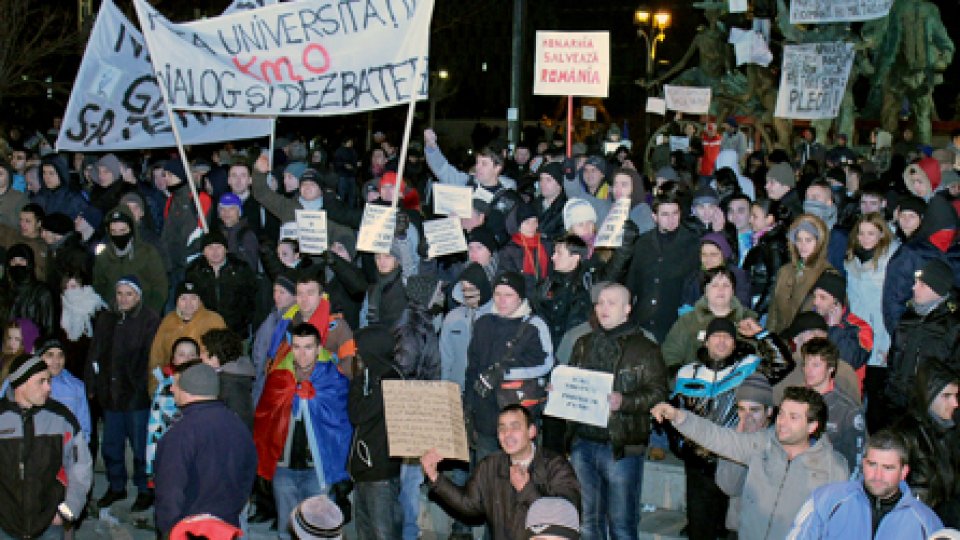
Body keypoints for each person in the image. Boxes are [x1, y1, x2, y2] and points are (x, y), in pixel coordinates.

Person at [651, 386, 849, 540]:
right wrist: (678, 416)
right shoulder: (761, 444)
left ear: (812, 426)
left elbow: (840, 528)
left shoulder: (832, 468)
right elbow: (718, 437)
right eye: (782, 414)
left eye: (793, 417)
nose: (782, 422)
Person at [670, 318, 793, 539]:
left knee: (733, 531)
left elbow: (782, 364)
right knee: (700, 531)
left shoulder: (746, 369)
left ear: (734, 344)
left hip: (735, 462)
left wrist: (762, 334)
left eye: (727, 337)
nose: (721, 341)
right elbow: (674, 411)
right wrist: (681, 446)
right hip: (698, 467)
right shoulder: (687, 373)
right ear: (705, 341)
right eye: (716, 336)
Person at [566, 282, 668, 540]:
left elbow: (658, 393)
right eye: (600, 302)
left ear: (627, 309)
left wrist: (625, 401)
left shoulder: (645, 348)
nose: (603, 308)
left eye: (611, 303)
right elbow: (572, 384)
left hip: (621, 447)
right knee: (587, 525)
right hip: (583, 443)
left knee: (622, 526)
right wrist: (560, 390)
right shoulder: (582, 343)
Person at [421, 404, 581, 540]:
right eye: (502, 428)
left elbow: (567, 518)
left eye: (515, 427)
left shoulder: (555, 466)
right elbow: (469, 505)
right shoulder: (490, 465)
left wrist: (526, 490)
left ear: (532, 431)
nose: (507, 434)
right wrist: (435, 477)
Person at [253, 323, 353, 539]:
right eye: (297, 347)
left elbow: (342, 426)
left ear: (319, 349)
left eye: (308, 347)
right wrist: (263, 465)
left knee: (320, 532)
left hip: (318, 471)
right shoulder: (279, 378)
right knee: (285, 530)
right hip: (283, 470)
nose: (302, 354)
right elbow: (264, 424)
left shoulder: (333, 380)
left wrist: (312, 399)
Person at [154, 363, 257, 535]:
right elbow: (248, 474)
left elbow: (169, 492)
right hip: (227, 527)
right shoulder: (237, 425)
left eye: (176, 385)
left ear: (188, 391)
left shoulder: (180, 433)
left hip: (192, 531)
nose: (172, 389)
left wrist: (170, 531)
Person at [86, 275, 160, 511]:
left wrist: (140, 386)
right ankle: (116, 486)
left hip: (135, 397)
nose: (124, 299)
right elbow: (95, 352)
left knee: (140, 448)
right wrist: (93, 383)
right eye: (120, 293)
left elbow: (151, 357)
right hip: (111, 395)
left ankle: (144, 489)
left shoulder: (149, 319)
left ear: (138, 296)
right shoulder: (107, 318)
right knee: (111, 446)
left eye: (129, 294)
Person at [0, 354, 92, 539]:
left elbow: (80, 469)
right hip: (5, 526)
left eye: (48, 381)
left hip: (49, 525)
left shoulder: (62, 418)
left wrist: (68, 512)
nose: (48, 388)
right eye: (41, 382)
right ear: (21, 383)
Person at [788, 429, 944, 538]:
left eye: (888, 468)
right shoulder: (827, 499)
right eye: (872, 464)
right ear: (863, 463)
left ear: (904, 472)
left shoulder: (925, 522)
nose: (877, 475)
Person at [466, 272, 554, 460]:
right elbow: (472, 368)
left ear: (520, 297)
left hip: (518, 417)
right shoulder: (483, 323)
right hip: (485, 417)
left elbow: (546, 363)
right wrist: (468, 407)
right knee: (487, 477)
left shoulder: (534, 325)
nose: (502, 300)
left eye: (508, 295)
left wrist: (505, 373)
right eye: (498, 294)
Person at [347, 325, 403, 539]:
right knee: (365, 530)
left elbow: (357, 413)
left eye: (359, 351)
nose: (355, 355)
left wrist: (357, 378)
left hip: (380, 471)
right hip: (365, 468)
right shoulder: (375, 375)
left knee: (382, 531)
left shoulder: (389, 381)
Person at [623, 190, 701, 342]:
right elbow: (632, 282)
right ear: (654, 217)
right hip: (643, 320)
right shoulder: (643, 243)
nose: (671, 219)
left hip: (675, 323)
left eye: (675, 213)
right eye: (665, 214)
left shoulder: (692, 243)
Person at [886, 258, 960, 409]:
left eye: (922, 284)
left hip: (928, 407)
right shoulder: (907, 317)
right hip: (896, 403)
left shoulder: (952, 327)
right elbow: (895, 358)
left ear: (937, 290)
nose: (914, 288)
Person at [894, 359, 960, 525]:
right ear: (928, 396)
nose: (955, 403)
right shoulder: (906, 435)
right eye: (946, 396)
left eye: (956, 395)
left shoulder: (951, 430)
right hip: (919, 523)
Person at [714, 374, 775, 536]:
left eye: (754, 410)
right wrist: (739, 443)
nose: (747, 417)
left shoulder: (779, 440)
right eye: (742, 409)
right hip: (738, 526)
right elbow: (729, 486)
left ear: (769, 411)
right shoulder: (734, 436)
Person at [800, 338, 866, 476]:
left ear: (831, 368)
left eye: (816, 365)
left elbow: (856, 462)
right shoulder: (796, 400)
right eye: (806, 364)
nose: (808, 370)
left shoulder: (847, 410)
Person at [148, 281, 226, 395]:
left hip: (204, 387)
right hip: (173, 388)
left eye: (193, 298)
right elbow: (157, 357)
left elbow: (223, 356)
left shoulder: (214, 321)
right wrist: (155, 387)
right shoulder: (168, 321)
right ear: (176, 301)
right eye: (183, 298)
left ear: (200, 300)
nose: (188, 303)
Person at [92, 206, 168, 313]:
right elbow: (98, 286)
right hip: (114, 315)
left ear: (131, 229)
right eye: (114, 231)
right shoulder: (104, 256)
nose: (118, 235)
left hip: (144, 316)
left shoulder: (148, 253)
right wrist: (111, 307)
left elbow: (160, 286)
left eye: (123, 230)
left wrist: (150, 312)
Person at [767, 214, 835, 333]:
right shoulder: (784, 271)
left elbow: (832, 320)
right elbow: (773, 314)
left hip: (810, 344)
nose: (803, 245)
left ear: (819, 242)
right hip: (782, 342)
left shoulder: (829, 274)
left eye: (808, 240)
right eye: (799, 239)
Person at [185, 231, 257, 339]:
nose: (215, 251)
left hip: (237, 332)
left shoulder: (241, 269)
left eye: (219, 247)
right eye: (210, 247)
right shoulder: (194, 272)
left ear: (226, 249)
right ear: (203, 252)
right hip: (205, 332)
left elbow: (252, 297)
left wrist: (245, 320)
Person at [809, 272, 874, 371]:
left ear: (836, 303)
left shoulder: (860, 328)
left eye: (823, 297)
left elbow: (847, 362)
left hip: (845, 384)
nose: (815, 302)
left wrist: (835, 328)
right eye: (815, 296)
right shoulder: (813, 320)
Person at [742, 198, 789, 317]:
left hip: (766, 310)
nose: (750, 220)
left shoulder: (774, 245)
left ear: (769, 219)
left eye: (755, 216)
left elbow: (776, 282)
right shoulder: (764, 241)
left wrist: (757, 312)